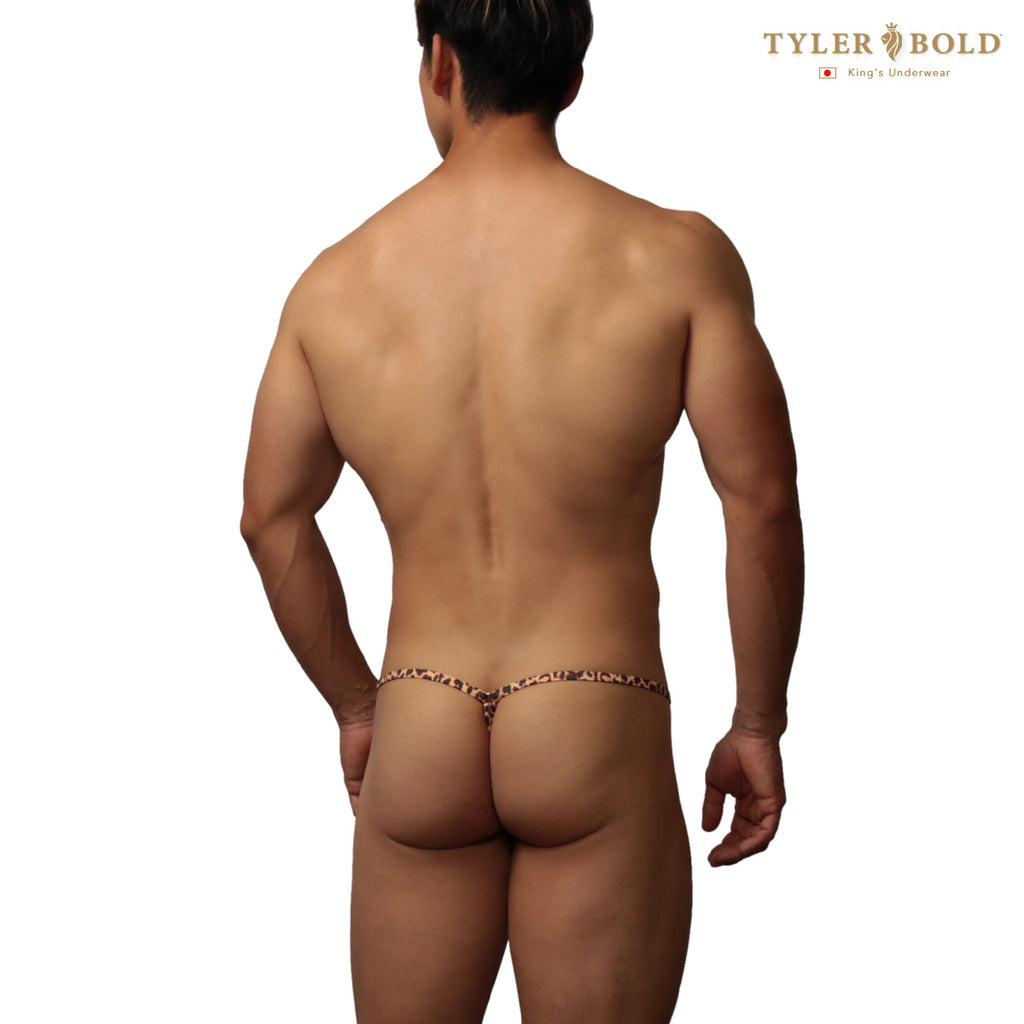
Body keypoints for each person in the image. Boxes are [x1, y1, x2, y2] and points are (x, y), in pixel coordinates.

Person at [239, 1, 804, 1021]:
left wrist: (358, 706)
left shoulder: (332, 285)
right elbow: (758, 499)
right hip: (592, 709)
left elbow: (270, 516)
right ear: (572, 80)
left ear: (440, 64)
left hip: (421, 716)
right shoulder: (673, 256)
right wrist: (757, 720)